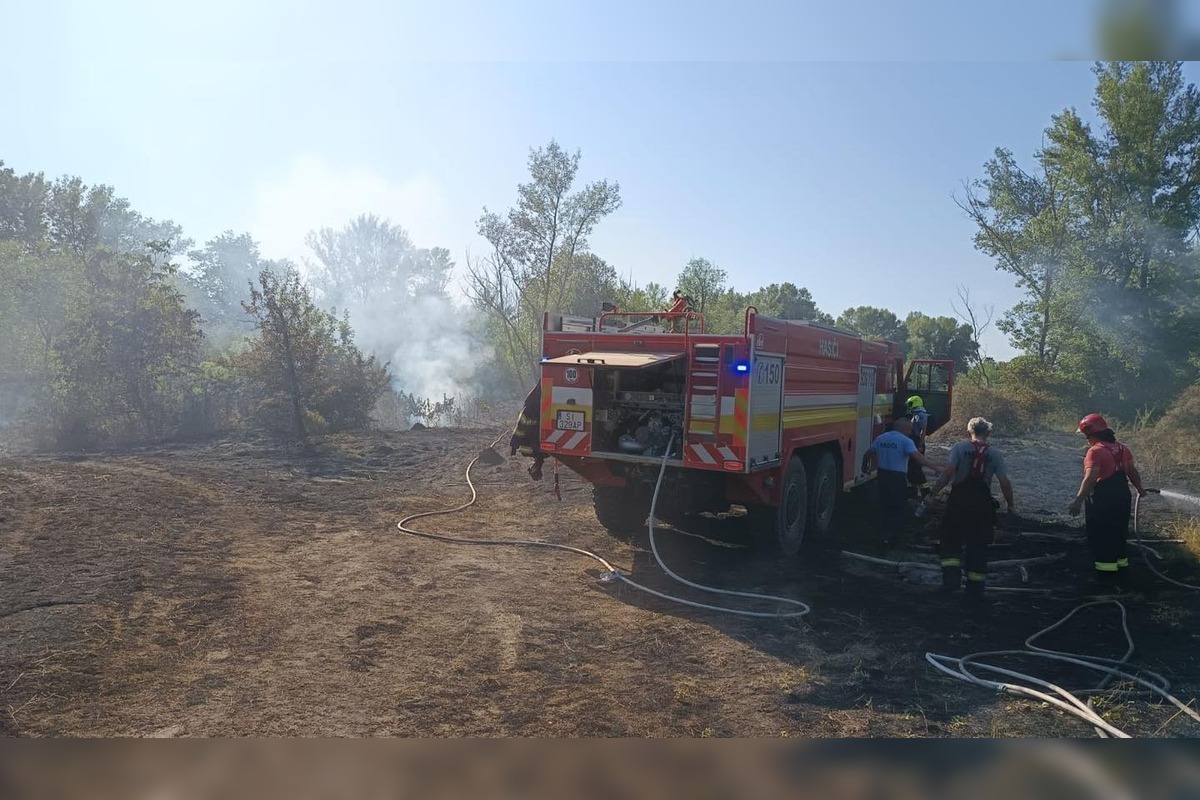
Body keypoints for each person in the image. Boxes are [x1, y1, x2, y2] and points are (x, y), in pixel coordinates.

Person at [927, 416, 1015, 601]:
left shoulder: (960, 448)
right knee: (978, 545)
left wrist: (932, 494)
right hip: (982, 505)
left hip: (958, 502)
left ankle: (951, 581)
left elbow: (948, 473)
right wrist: (1011, 505)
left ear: (969, 432)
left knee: (950, 540)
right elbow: (1005, 483)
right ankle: (975, 589)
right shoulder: (995, 454)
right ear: (988, 433)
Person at [1068, 413, 1146, 586]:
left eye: (1086, 436)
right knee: (1118, 533)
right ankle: (1122, 572)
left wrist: (1078, 501)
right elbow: (1132, 471)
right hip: (1123, 496)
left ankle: (1106, 578)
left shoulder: (1095, 451)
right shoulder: (1122, 448)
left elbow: (1090, 478)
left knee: (1101, 535)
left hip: (1103, 498)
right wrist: (1139, 488)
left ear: (1091, 434)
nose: (1086, 440)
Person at [869, 416, 945, 545]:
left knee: (884, 504)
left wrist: (864, 465)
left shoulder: (881, 438)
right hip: (897, 478)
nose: (911, 431)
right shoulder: (906, 441)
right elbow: (918, 457)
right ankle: (894, 537)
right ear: (905, 428)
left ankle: (882, 534)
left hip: (882, 476)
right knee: (898, 506)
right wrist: (936, 468)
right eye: (910, 429)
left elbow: (869, 452)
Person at [509, 384, 546, 481]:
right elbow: (523, 422)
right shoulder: (534, 400)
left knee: (536, 450)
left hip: (534, 442)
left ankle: (537, 464)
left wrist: (514, 443)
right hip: (536, 441)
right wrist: (514, 442)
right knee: (538, 450)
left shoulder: (533, 399)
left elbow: (522, 422)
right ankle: (537, 464)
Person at [905, 395, 932, 500]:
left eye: (910, 404)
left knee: (916, 469)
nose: (908, 406)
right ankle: (913, 492)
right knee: (912, 469)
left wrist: (920, 445)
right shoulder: (916, 414)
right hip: (915, 442)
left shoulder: (920, 415)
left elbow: (922, 431)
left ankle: (926, 493)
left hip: (917, 443)